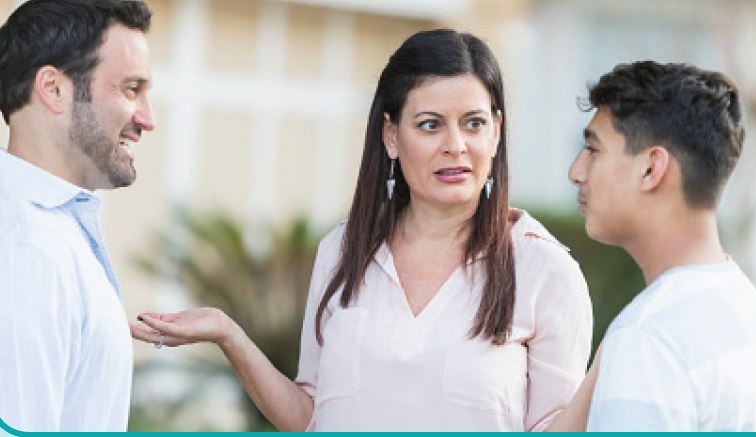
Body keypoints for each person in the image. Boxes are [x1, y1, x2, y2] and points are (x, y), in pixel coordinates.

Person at [134, 29, 593, 431]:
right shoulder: (343, 249)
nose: (456, 146)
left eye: (473, 123)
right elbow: (310, 415)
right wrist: (227, 334)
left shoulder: (544, 269)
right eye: (430, 125)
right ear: (391, 136)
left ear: (496, 131)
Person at [568, 61, 756, 431]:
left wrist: (630, 337)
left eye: (593, 149)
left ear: (651, 168)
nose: (576, 172)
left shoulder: (648, 336)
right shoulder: (741, 302)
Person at [0, 0, 155, 432]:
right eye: (130, 88)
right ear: (53, 88)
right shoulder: (24, 250)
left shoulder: (50, 231)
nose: (148, 118)